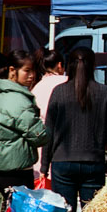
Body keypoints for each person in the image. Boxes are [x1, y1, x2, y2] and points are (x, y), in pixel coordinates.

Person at [41, 47, 107, 212]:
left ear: (69, 65)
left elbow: (49, 131)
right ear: (93, 66)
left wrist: (44, 166)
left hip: (62, 162)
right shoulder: (104, 92)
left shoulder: (59, 92)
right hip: (94, 162)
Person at [0, 48, 49, 195]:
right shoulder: (19, 101)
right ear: (12, 70)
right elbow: (39, 135)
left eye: (33, 71)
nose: (32, 75)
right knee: (19, 208)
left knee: (10, 206)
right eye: (27, 71)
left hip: (0, 166)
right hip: (18, 168)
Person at [32, 49, 68, 180]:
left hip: (42, 143)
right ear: (59, 65)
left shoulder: (37, 87)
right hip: (66, 143)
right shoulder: (67, 82)